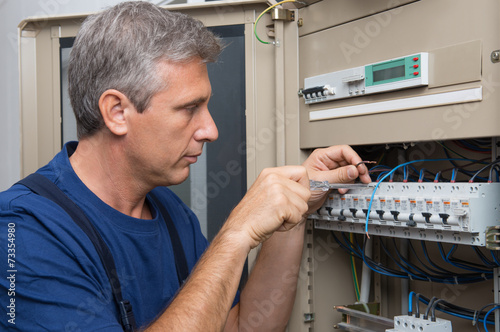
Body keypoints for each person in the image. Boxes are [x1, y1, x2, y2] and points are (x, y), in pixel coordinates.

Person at [0, 2, 371, 331]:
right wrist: (236, 233)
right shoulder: (22, 231)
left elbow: (243, 327)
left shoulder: (170, 211)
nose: (211, 130)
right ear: (117, 112)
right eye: (189, 108)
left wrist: (296, 207)